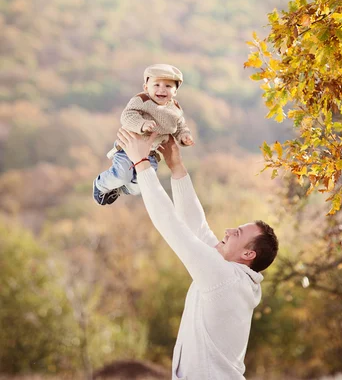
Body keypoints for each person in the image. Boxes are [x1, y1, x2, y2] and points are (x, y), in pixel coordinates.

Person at [116, 128, 279, 380]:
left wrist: (141, 165)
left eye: (236, 233)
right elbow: (197, 228)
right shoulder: (230, 275)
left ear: (248, 253)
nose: (227, 230)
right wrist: (177, 167)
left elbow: (172, 226)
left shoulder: (225, 278)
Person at [93, 64, 194, 206]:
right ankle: (101, 185)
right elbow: (127, 115)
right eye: (156, 85)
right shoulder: (142, 100)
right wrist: (141, 124)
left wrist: (184, 137)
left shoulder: (175, 109)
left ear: (175, 91)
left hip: (151, 154)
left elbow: (180, 126)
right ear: (146, 87)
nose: (161, 89)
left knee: (143, 185)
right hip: (129, 147)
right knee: (122, 175)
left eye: (168, 86)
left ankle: (121, 189)